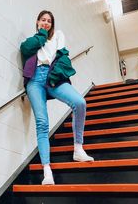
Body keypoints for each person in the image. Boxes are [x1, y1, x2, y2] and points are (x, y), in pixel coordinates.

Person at [20, 10, 94, 185]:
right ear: (37, 22)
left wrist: (54, 76)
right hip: (35, 81)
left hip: (53, 77)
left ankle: (78, 148)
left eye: (49, 21)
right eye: (43, 20)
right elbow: (24, 49)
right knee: (42, 123)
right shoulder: (34, 40)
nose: (46, 23)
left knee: (79, 102)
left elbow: (63, 58)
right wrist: (41, 34)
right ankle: (47, 172)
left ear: (53, 24)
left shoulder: (58, 36)